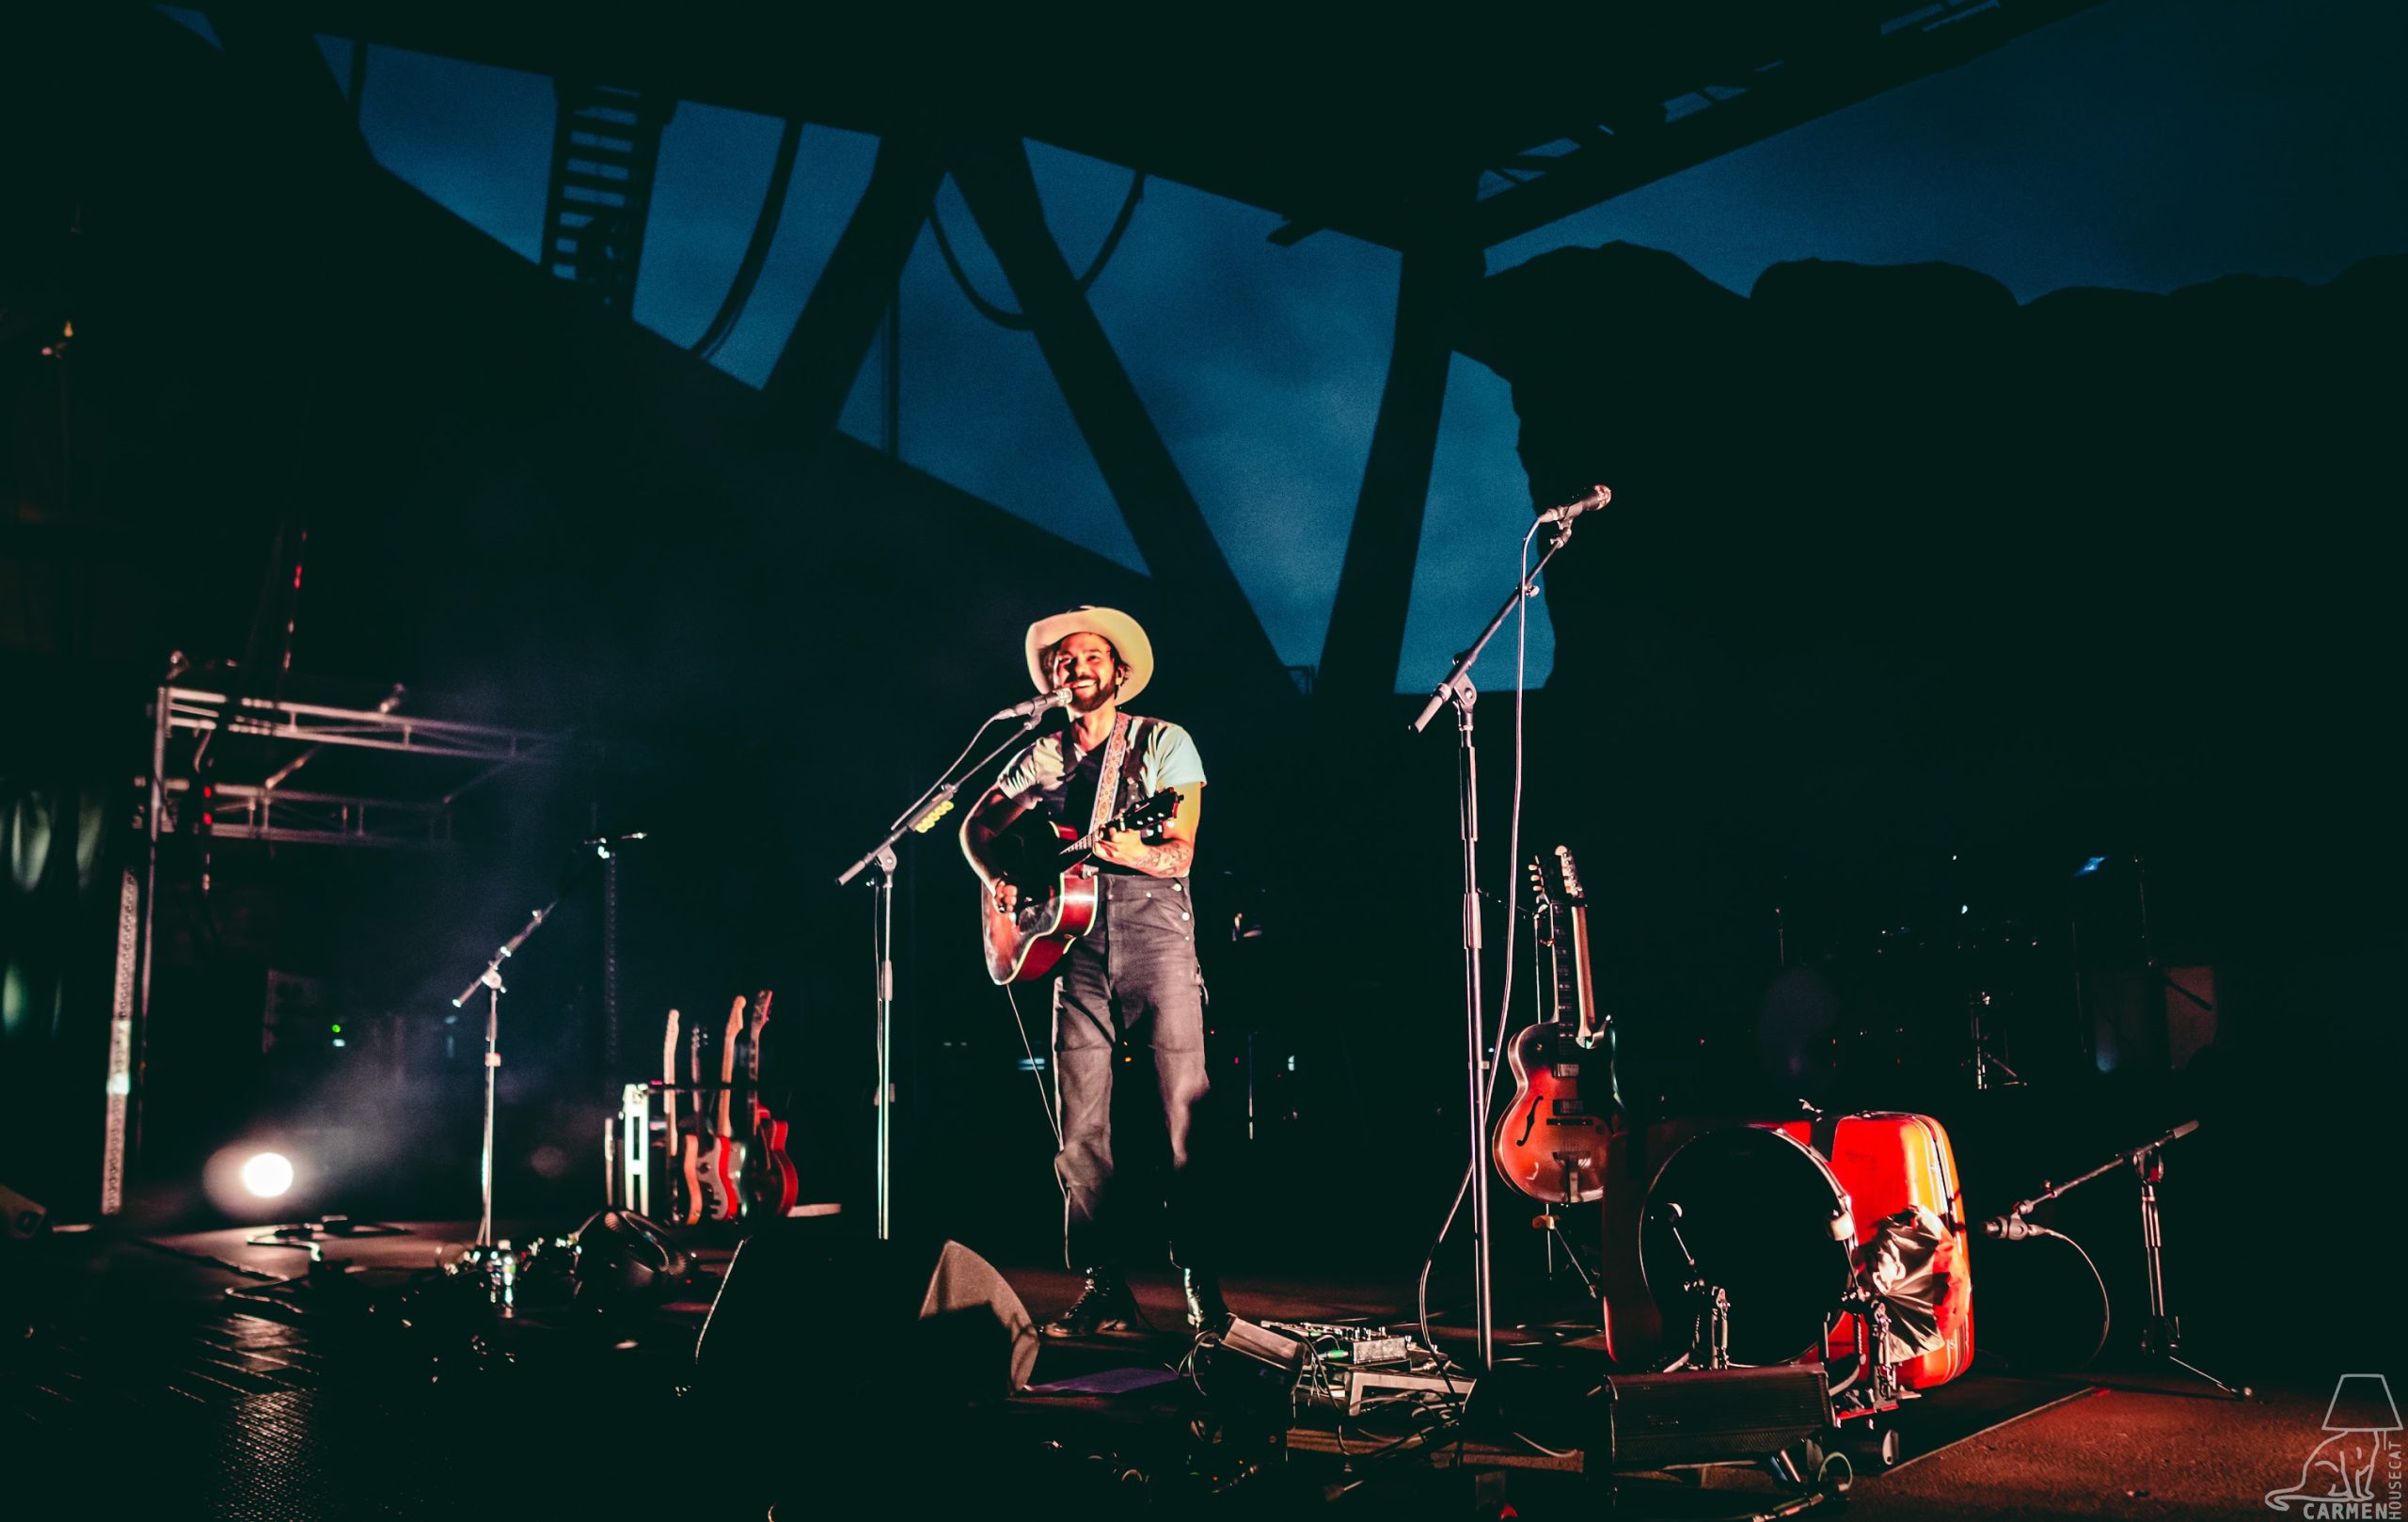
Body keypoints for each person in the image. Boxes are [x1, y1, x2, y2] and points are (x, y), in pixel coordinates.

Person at [960, 606, 1225, 1336]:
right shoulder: (1042, 755)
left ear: (1118, 672)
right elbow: (976, 826)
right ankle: (1102, 1283)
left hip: (1155, 938)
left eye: (1087, 658)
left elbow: (1179, 851)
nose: (1072, 668)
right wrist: (999, 881)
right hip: (1073, 946)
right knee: (1079, 1127)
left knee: (1182, 1114)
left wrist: (1123, 848)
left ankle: (1202, 1282)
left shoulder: (1164, 742)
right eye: (1061, 661)